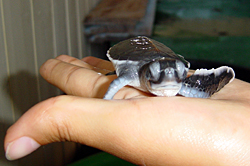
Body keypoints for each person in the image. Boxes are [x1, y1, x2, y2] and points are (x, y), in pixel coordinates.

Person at [4, 55, 250, 165]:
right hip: (135, 58)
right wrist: (106, 102)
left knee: (192, 88)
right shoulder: (133, 75)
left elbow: (185, 84)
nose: (170, 83)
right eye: (158, 78)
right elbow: (117, 81)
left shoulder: (180, 83)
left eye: (178, 76)